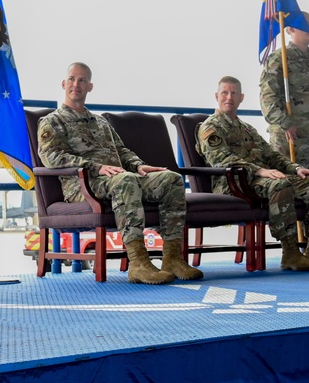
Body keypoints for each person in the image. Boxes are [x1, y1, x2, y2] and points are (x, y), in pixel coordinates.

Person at [36, 63, 201, 284]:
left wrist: (139, 165)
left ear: (90, 86)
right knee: (125, 181)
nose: (77, 84)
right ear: (64, 83)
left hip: (119, 178)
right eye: (72, 79)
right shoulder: (52, 121)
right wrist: (96, 167)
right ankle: (138, 263)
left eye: (82, 80)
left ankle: (171, 258)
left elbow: (122, 151)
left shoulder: (101, 122)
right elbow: (51, 157)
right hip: (83, 185)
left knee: (170, 179)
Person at [196, 76, 309, 271]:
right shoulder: (210, 127)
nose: (229, 97)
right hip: (233, 184)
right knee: (279, 184)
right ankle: (290, 253)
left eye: (234, 93)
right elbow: (222, 161)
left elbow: (271, 156)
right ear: (216, 96)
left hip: (261, 179)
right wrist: (260, 171)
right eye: (224, 93)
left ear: (241, 97)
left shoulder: (247, 129)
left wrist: (296, 169)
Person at [259, 12, 309, 173]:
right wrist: (285, 123)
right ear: (290, 30)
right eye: (304, 24)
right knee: (289, 190)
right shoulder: (279, 59)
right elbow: (268, 98)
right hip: (291, 141)